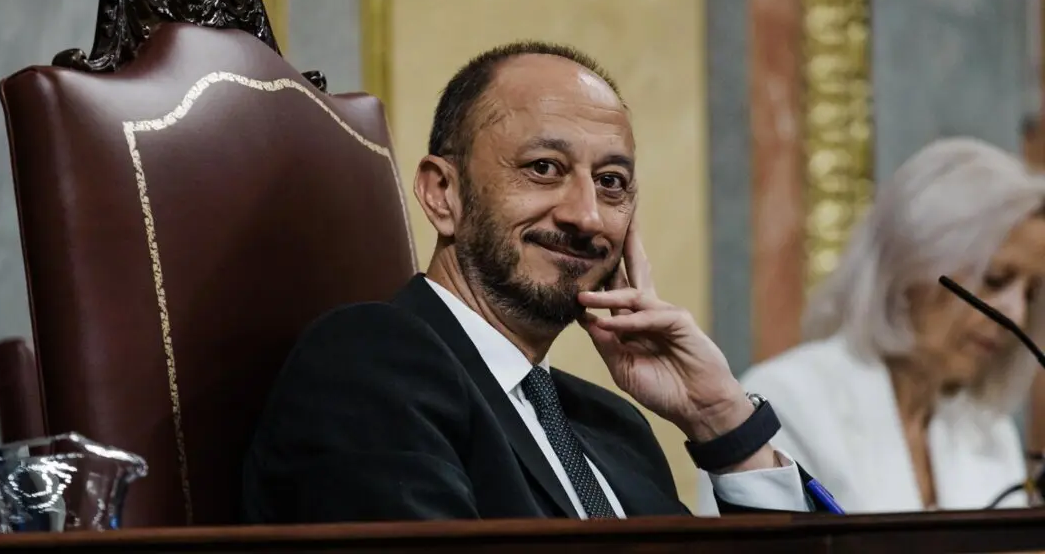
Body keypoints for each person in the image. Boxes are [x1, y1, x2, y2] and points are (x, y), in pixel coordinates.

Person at [242, 41, 836, 522]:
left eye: (610, 182)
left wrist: (723, 423)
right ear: (443, 193)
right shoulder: (371, 363)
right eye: (544, 168)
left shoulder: (611, 424)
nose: (587, 216)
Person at [697, 137, 1045, 514]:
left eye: (1031, 293)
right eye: (995, 279)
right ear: (913, 263)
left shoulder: (988, 430)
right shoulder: (785, 401)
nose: (1015, 315)